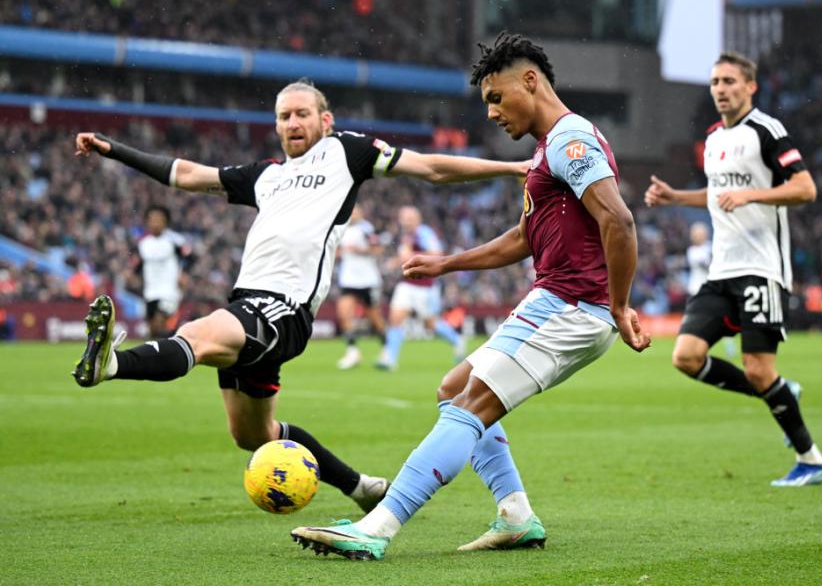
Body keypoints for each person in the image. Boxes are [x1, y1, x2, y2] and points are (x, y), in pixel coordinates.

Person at [71, 79, 528, 512]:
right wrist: (116, 151)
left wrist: (509, 168)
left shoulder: (346, 152)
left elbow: (430, 167)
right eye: (284, 116)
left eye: (302, 114)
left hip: (284, 308)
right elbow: (188, 174)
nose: (293, 123)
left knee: (197, 333)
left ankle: (111, 365)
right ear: (275, 125)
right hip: (249, 306)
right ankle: (360, 487)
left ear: (324, 120)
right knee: (254, 436)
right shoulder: (264, 177)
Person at [290, 32, 650, 561]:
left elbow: (618, 219)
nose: (491, 113)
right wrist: (447, 262)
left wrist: (618, 306)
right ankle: (516, 515)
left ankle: (377, 527)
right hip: (557, 302)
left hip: (572, 307)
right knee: (452, 387)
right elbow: (525, 237)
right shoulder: (550, 150)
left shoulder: (571, 140)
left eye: (496, 98)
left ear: (531, 81)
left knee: (469, 405)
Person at [644, 52, 822, 487]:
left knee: (760, 368)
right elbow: (718, 194)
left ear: (750, 87)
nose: (720, 89)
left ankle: (811, 459)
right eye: (714, 82)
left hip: (761, 269)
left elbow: (805, 188)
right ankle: (783, 394)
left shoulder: (767, 130)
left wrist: (752, 196)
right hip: (721, 270)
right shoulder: (712, 139)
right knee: (686, 357)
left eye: (729, 81)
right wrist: (675, 197)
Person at [375, 205, 465, 370]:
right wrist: (395, 262)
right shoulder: (406, 236)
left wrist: (409, 256)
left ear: (417, 219)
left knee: (430, 325)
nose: (405, 221)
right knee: (395, 320)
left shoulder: (424, 233)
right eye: (403, 218)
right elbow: (407, 257)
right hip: (407, 285)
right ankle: (389, 359)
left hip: (425, 288)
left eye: (409, 218)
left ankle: (457, 340)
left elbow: (437, 254)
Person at [335, 204, 387, 369]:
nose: (353, 214)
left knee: (375, 319)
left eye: (355, 211)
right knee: (344, 314)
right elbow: (339, 251)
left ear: (360, 213)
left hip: (368, 280)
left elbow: (378, 250)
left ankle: (387, 351)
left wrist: (360, 250)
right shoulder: (341, 229)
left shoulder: (366, 229)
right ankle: (352, 352)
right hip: (348, 280)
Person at [136, 205, 191, 338]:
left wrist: (184, 274)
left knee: (159, 322)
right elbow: (140, 265)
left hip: (169, 291)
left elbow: (189, 258)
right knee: (152, 330)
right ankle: (156, 354)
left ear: (166, 221)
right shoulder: (143, 243)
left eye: (158, 219)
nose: (155, 222)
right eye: (152, 219)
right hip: (150, 291)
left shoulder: (175, 241)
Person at [686, 222, 737, 358]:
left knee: (721, 316)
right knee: (696, 319)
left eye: (698, 233)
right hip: (696, 290)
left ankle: (727, 343)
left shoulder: (712, 247)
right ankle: (695, 344)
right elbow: (706, 265)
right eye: (695, 234)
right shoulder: (692, 251)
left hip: (712, 289)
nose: (696, 236)